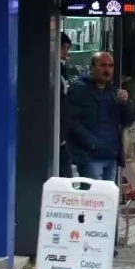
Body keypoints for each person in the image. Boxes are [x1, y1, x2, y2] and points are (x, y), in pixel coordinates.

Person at [64, 51, 133, 182]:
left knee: (107, 197)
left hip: (111, 156)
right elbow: (71, 121)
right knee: (93, 198)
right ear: (92, 67)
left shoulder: (113, 91)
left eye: (110, 66)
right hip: (90, 156)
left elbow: (127, 121)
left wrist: (125, 103)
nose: (107, 70)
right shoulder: (79, 89)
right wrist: (91, 142)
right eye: (102, 65)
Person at [58, 32, 77, 178]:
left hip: (62, 136)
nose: (66, 54)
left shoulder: (62, 71)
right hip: (58, 135)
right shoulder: (54, 72)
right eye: (65, 48)